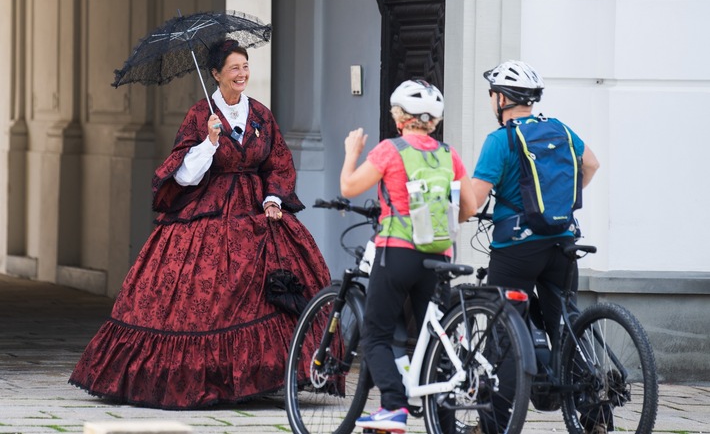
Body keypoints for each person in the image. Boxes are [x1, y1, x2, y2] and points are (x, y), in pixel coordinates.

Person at [69, 39, 331, 409]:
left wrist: (273, 198)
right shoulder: (199, 115)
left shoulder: (260, 114)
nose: (242, 74)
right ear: (216, 74)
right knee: (203, 292)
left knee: (271, 289)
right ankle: (208, 380)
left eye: (245, 66)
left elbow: (278, 163)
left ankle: (266, 374)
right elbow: (184, 175)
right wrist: (208, 141)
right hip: (208, 210)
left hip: (257, 210)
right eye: (234, 68)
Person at [340, 79, 478, 433]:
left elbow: (349, 187)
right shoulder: (449, 154)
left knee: (375, 334)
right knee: (437, 341)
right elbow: (470, 207)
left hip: (397, 252)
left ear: (400, 116)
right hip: (439, 257)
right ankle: (444, 422)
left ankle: (393, 406)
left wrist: (351, 151)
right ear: (434, 121)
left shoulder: (391, 150)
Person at [470, 60, 601, 433]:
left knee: (504, 328)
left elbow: (476, 196)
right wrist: (561, 203)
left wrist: (460, 209)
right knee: (567, 323)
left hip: (517, 248)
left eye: (491, 95)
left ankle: (495, 423)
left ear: (501, 99)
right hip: (563, 240)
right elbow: (591, 164)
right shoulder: (559, 129)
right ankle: (595, 416)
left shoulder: (502, 140)